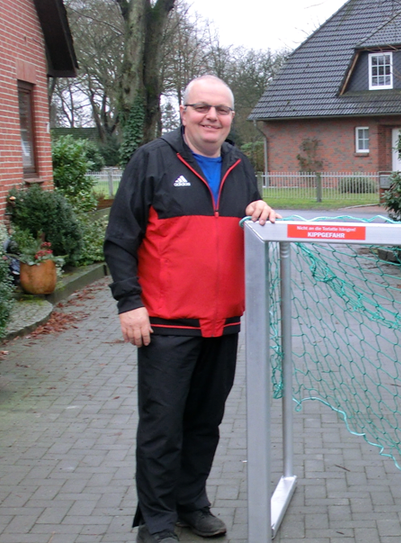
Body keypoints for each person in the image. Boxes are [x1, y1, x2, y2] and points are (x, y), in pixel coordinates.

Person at [104, 75, 280, 543]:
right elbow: (120, 239)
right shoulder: (153, 160)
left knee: (204, 424)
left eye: (221, 110)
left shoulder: (241, 164)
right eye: (202, 108)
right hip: (164, 324)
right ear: (183, 112)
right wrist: (129, 303)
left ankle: (190, 505)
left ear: (231, 117)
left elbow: (244, 220)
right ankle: (157, 524)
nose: (212, 117)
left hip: (224, 323)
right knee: (163, 429)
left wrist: (260, 206)